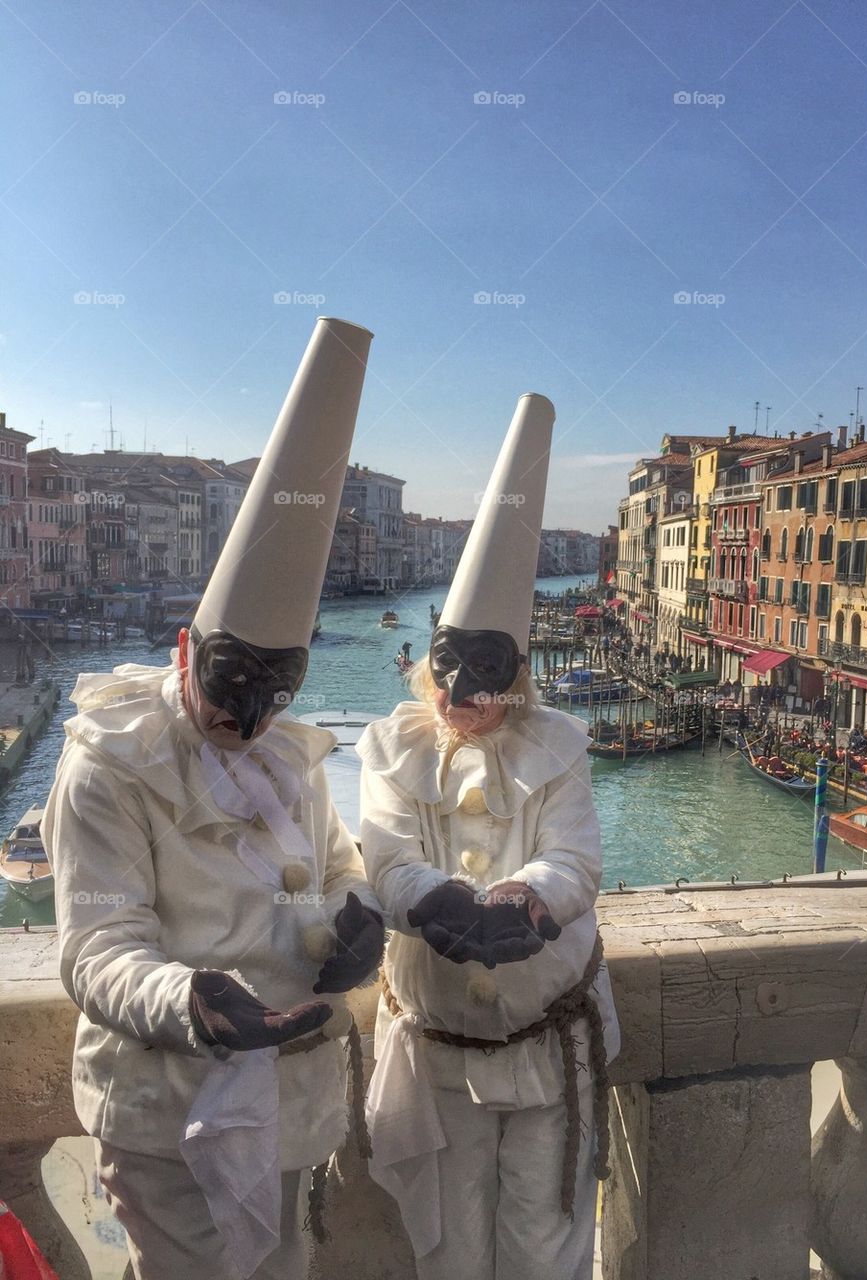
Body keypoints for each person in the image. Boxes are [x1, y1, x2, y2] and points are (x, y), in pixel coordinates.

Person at [42, 319, 385, 1280]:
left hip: (286, 1099)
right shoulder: (109, 763)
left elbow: (337, 862)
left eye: (280, 689)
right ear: (186, 650)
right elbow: (96, 946)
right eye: (234, 683)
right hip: (164, 1112)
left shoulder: (286, 750)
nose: (252, 715)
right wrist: (189, 1000)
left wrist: (358, 915)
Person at [357, 395, 619, 1280]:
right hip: (435, 1060)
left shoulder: (561, 748)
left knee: (546, 1251)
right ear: (430, 660)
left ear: (519, 673)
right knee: (450, 1252)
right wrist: (426, 899)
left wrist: (531, 898)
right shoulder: (390, 751)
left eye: (488, 670)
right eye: (450, 665)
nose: (466, 691)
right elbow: (387, 853)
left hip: (549, 1053)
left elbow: (575, 856)